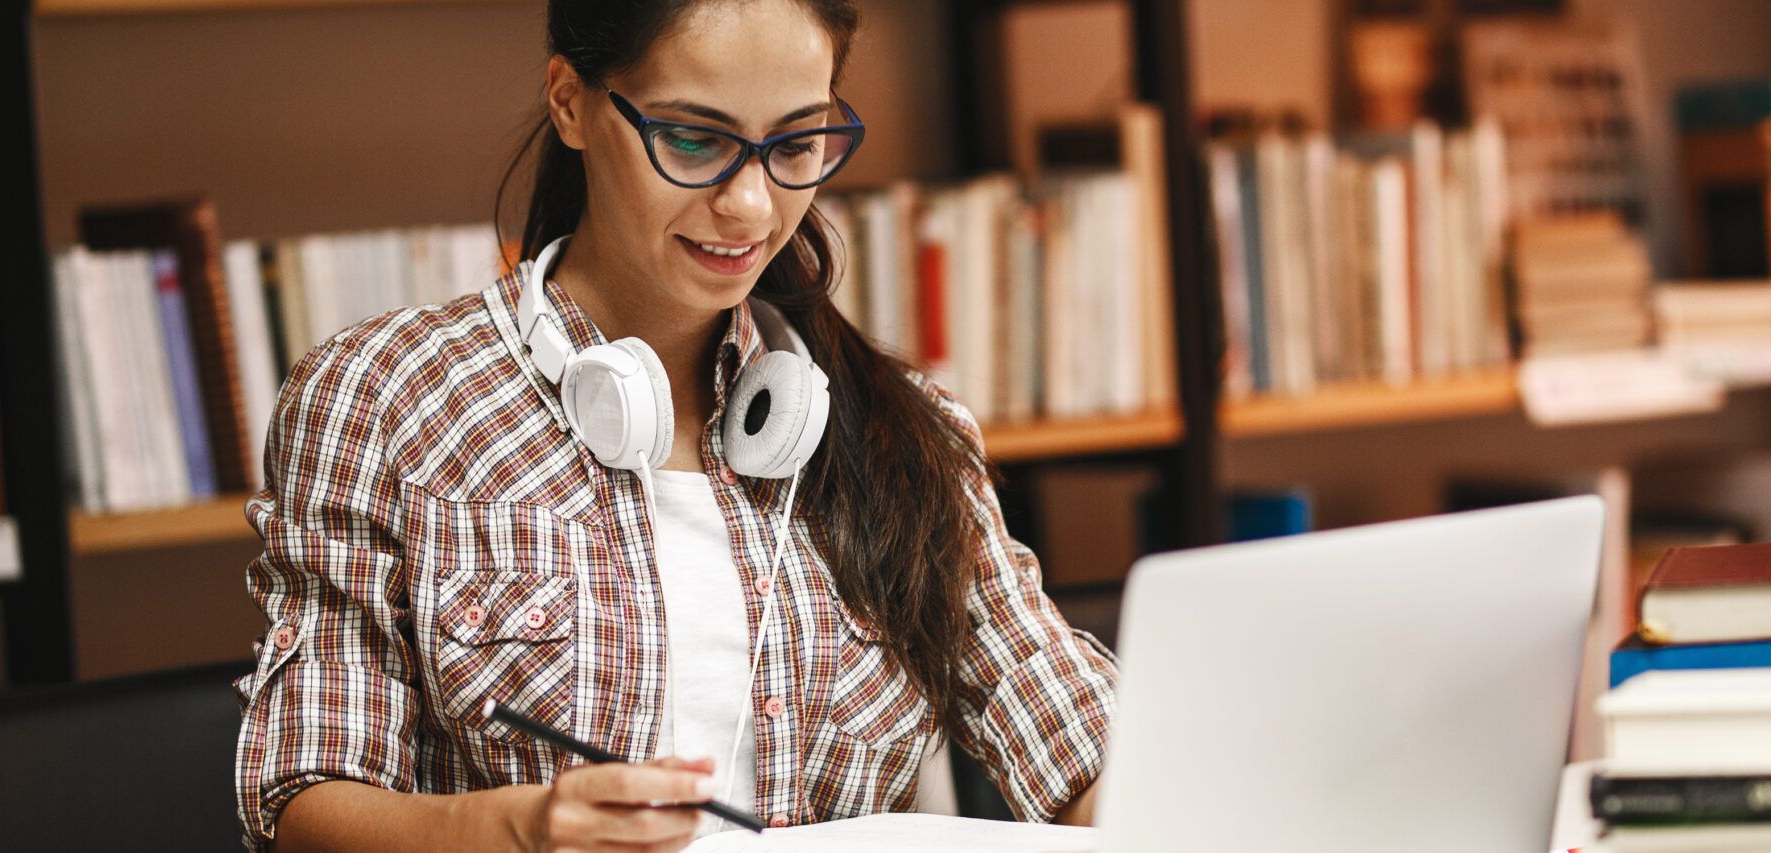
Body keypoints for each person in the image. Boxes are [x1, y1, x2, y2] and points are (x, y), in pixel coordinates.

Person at [231, 1, 1115, 849]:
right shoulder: (385, 400)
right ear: (570, 103)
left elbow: (1078, 741)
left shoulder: (902, 429)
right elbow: (303, 800)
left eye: (796, 144)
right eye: (694, 139)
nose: (752, 208)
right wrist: (517, 833)